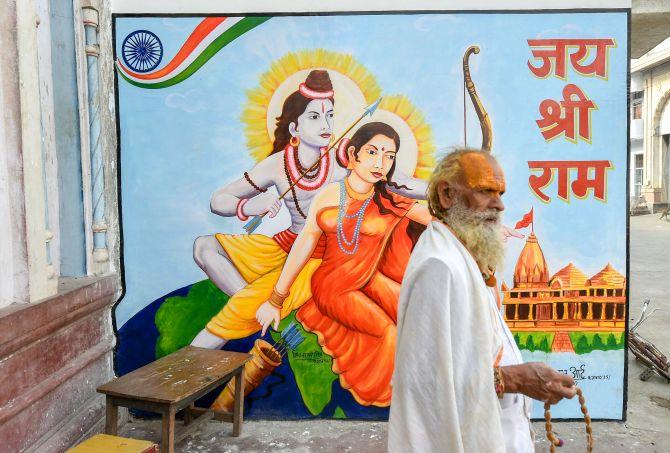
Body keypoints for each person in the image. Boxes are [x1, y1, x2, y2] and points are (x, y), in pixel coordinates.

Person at [191, 70, 427, 349]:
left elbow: (402, 184)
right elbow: (219, 201)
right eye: (314, 117)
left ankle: (252, 306)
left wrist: (452, 186)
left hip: (318, 255)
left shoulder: (346, 159)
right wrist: (251, 204)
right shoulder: (278, 164)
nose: (325, 124)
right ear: (294, 128)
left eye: (329, 115)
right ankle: (255, 306)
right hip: (284, 245)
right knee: (203, 247)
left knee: (246, 305)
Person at [388, 149, 576, 452]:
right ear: (447, 194)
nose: (499, 204)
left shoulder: (462, 255)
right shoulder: (439, 265)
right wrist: (513, 380)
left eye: (500, 193)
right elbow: (425, 382)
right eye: (485, 191)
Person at [255, 122, 433, 406]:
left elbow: (438, 218)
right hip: (333, 287)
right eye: (373, 152)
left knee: (419, 312)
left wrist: (485, 223)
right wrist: (276, 299)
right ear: (353, 155)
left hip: (368, 279)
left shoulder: (390, 200)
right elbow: (305, 243)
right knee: (389, 332)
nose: (381, 162)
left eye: (389, 156)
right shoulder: (328, 195)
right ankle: (389, 395)